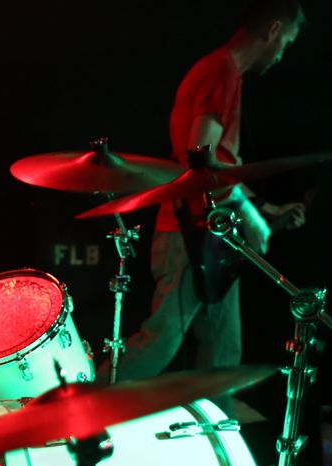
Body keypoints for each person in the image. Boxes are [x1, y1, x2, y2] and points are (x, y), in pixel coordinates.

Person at [96, 0, 308, 415]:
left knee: (223, 352)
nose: (282, 54)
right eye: (285, 43)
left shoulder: (224, 72)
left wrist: (264, 208)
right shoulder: (221, 71)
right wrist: (249, 214)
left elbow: (220, 163)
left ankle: (215, 437)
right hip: (189, 233)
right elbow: (199, 156)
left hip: (211, 233)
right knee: (161, 341)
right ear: (272, 30)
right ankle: (80, 414)